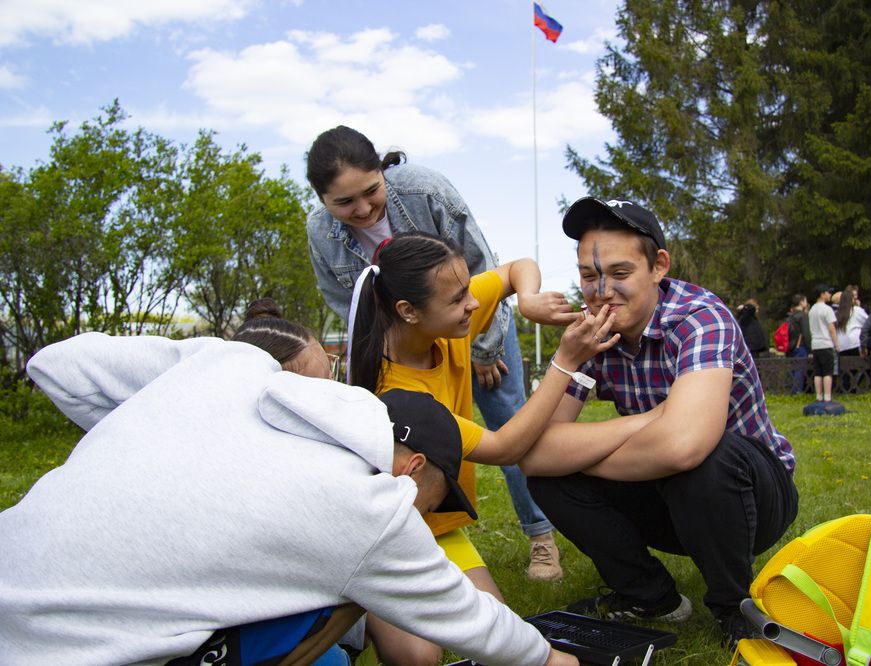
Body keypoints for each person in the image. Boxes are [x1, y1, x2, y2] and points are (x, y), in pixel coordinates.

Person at [0, 303, 577, 666]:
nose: (428, 514)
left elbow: (59, 364)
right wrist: (552, 661)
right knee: (351, 589)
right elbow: (467, 617)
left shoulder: (231, 366)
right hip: (90, 651)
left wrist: (143, 438)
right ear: (412, 467)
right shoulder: (365, 509)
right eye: (438, 498)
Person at [520, 197, 798, 648]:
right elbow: (531, 451)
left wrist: (580, 453)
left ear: (658, 266)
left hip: (753, 497)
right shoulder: (593, 332)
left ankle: (733, 606)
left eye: (621, 273)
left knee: (707, 455)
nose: (603, 291)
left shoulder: (699, 317)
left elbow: (683, 447)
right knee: (549, 479)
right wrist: (644, 417)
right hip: (668, 491)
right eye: (589, 276)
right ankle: (651, 597)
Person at [305, 126, 563, 582]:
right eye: (344, 204)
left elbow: (481, 271)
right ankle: (416, 537)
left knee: (511, 426)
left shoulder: (425, 191)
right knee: (428, 445)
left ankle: (540, 534)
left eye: (370, 191)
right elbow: (344, 304)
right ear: (322, 201)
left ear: (382, 171)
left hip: (469, 329)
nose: (363, 210)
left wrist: (481, 348)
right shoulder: (320, 234)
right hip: (406, 344)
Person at [347, 231, 614, 664]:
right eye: (457, 300)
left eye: (468, 291)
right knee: (418, 658)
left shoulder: (445, 319)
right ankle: (355, 603)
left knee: (501, 633)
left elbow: (514, 269)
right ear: (408, 312)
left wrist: (525, 300)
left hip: (441, 526)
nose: (472, 304)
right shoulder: (396, 395)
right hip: (387, 539)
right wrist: (565, 362)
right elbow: (505, 447)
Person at [808, 284, 839, 402]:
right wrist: (836, 344)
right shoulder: (827, 309)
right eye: (828, 292)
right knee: (827, 372)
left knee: (818, 372)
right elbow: (831, 328)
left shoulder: (812, 310)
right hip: (826, 343)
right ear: (822, 294)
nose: (830, 294)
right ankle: (827, 396)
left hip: (815, 344)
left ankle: (818, 395)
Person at [834, 285, 868, 392]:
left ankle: (845, 387)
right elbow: (867, 323)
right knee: (864, 366)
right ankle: (854, 387)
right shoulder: (856, 311)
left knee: (846, 370)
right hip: (854, 344)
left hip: (842, 346)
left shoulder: (837, 313)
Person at [786, 294, 811, 394]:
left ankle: (792, 388)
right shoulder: (802, 316)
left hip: (790, 345)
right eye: (805, 301)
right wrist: (810, 348)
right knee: (799, 369)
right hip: (800, 345)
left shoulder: (790, 316)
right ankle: (797, 391)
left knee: (793, 368)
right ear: (801, 302)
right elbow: (806, 333)